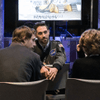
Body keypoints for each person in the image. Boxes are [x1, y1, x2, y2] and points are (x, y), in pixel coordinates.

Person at [33, 22, 67, 94]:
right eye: (40, 33)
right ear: (35, 35)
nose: (44, 35)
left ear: (49, 32)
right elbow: (30, 58)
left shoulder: (56, 44)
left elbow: (62, 56)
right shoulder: (32, 46)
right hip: (36, 82)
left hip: (54, 82)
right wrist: (41, 65)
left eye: (45, 32)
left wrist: (56, 67)